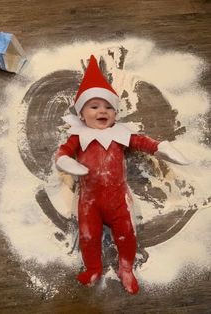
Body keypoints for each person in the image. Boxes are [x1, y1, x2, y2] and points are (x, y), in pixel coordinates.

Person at [55, 55, 188, 294]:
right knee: (88, 237)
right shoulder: (78, 136)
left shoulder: (119, 134)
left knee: (126, 236)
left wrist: (162, 148)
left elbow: (142, 142)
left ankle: (126, 269)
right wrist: (66, 162)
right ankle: (93, 268)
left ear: (116, 114)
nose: (102, 111)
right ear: (81, 114)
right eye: (94, 106)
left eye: (108, 107)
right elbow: (63, 152)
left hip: (117, 201)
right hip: (89, 202)